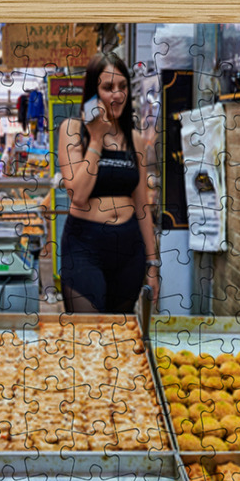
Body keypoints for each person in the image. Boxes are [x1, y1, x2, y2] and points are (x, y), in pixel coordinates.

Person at [56, 51, 160, 313]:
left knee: (120, 334)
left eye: (122, 86)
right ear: (94, 93)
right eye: (108, 87)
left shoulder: (135, 140)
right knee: (88, 332)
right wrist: (96, 138)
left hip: (129, 251)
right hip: (84, 247)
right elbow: (78, 195)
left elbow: (142, 206)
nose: (117, 94)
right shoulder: (72, 130)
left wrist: (152, 264)